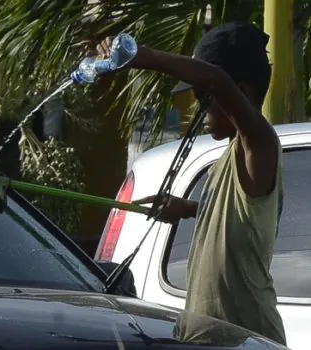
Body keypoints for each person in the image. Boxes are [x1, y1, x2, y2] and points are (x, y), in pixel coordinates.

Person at [95, 22, 286, 345]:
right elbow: (243, 220)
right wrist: (190, 209)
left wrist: (146, 57)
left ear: (241, 93)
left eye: (202, 96)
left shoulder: (259, 144)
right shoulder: (228, 159)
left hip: (247, 339)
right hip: (209, 338)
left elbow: (218, 80)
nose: (199, 108)